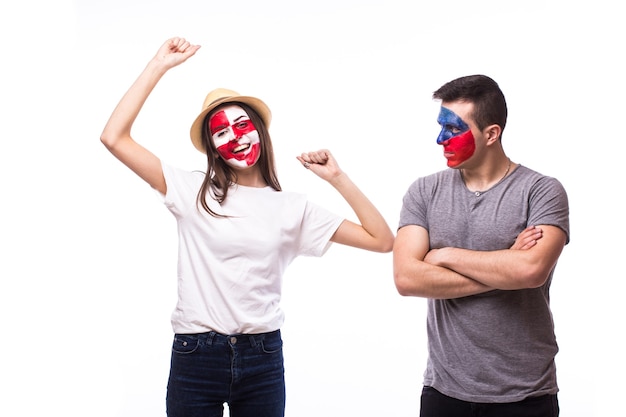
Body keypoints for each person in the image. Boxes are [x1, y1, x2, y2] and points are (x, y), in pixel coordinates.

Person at [100, 37, 394, 417]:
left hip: (263, 357)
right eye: (222, 132)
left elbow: (382, 240)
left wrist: (337, 177)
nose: (236, 137)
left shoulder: (293, 208)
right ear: (213, 148)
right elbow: (113, 137)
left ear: (259, 129)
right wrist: (159, 65)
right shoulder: (192, 190)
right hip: (196, 354)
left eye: (242, 125)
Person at [393, 74, 569, 417]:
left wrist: (443, 255)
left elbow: (531, 270)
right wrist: (505, 267)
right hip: (443, 392)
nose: (440, 138)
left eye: (453, 128)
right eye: (440, 126)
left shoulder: (542, 191)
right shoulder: (424, 191)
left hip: (525, 395)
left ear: (491, 134)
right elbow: (407, 279)